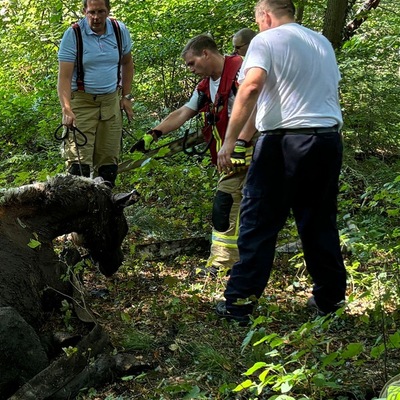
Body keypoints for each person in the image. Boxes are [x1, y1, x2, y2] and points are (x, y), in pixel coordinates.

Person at [215, 0, 346, 324]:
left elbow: (252, 88)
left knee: (258, 220)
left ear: (266, 16)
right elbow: (285, 99)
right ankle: (330, 303)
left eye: (258, 22)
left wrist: (229, 140)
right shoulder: (320, 42)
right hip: (327, 140)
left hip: (284, 144)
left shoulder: (267, 40)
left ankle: (239, 304)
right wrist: (246, 138)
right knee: (319, 223)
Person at [131, 34, 255, 277]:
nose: (191, 69)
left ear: (206, 53)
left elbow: (258, 105)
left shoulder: (241, 71)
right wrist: (154, 133)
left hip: (248, 151)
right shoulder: (207, 85)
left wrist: (239, 143)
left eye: (192, 63)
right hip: (231, 154)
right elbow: (184, 111)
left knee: (226, 204)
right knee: (245, 207)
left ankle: (223, 265)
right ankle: (242, 262)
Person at [57, 0, 134, 187]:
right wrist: (66, 108)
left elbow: (127, 63)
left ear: (108, 11)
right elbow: (64, 77)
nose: (96, 17)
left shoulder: (119, 30)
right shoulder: (74, 35)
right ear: (84, 11)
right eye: (91, 12)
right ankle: (78, 211)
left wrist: (125, 96)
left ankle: (105, 209)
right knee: (78, 163)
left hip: (111, 103)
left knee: (108, 162)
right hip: (81, 104)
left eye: (101, 11)